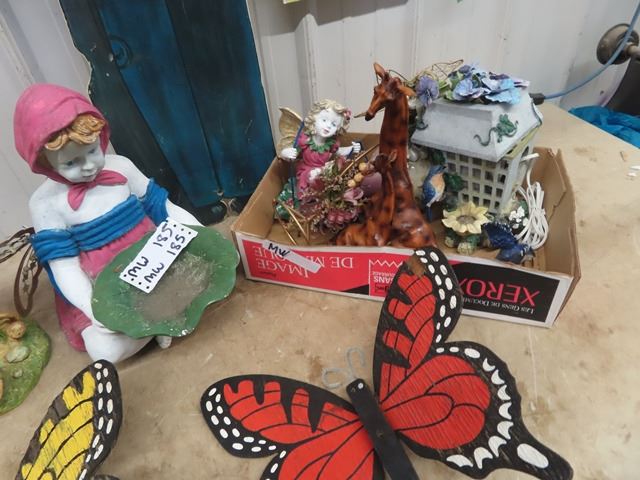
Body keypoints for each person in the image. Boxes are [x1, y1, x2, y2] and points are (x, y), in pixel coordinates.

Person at [13, 84, 201, 363]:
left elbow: (164, 208)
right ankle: (161, 321)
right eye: (71, 163)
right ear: (45, 163)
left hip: (153, 260)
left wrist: (200, 234)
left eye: (92, 151)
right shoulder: (45, 204)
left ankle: (158, 319)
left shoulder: (121, 166)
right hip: (105, 285)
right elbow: (64, 267)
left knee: (206, 271)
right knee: (105, 352)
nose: (89, 166)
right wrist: (95, 310)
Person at [279, 99, 361, 194]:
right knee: (312, 176)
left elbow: (338, 152)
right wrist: (285, 153)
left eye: (333, 124)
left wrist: (351, 148)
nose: (328, 126)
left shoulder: (331, 143)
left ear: (338, 129)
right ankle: (306, 196)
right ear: (314, 119)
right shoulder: (306, 140)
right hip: (306, 171)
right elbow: (293, 155)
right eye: (324, 120)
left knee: (330, 179)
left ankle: (322, 197)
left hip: (323, 171)